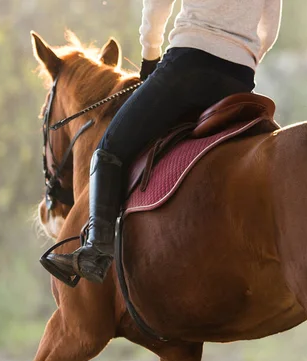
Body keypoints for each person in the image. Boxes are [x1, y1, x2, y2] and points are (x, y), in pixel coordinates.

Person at [43, 0, 283, 283]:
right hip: (240, 77)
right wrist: (245, 56)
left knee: (108, 150)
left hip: (187, 64)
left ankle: (96, 251)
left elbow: (157, 4)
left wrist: (150, 54)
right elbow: (270, 25)